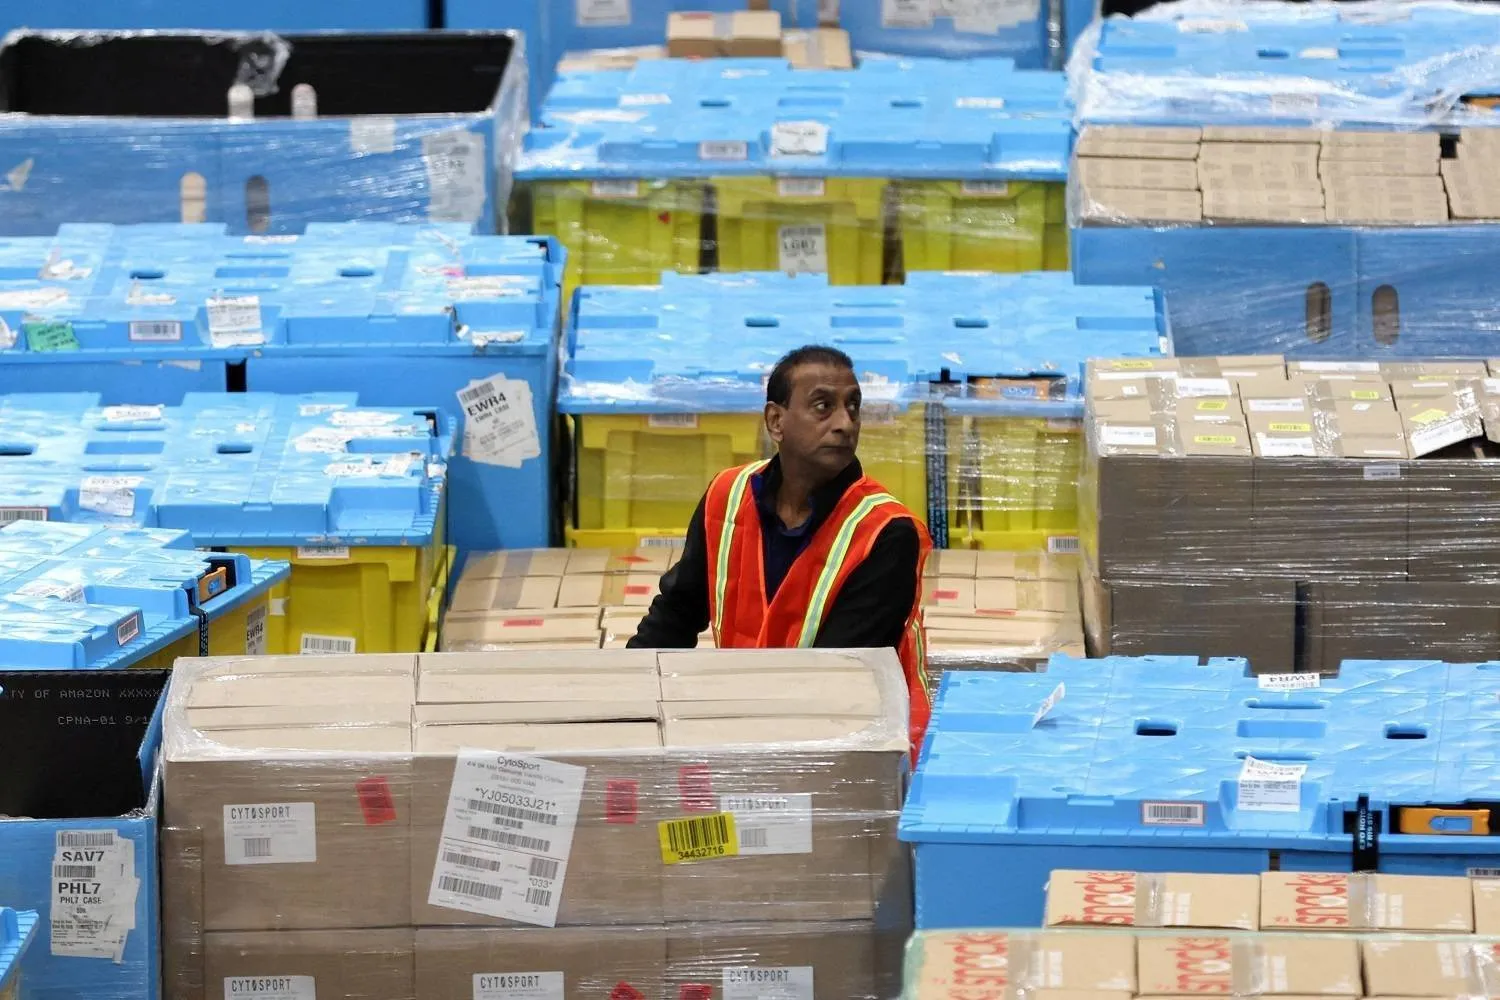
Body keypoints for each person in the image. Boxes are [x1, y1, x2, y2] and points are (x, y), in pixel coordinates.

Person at [628, 344, 934, 750]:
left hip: (859, 749)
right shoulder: (728, 495)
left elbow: (837, 682)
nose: (845, 423)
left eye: (853, 406)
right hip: (753, 732)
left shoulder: (886, 532)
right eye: (823, 406)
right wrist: (626, 703)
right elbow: (676, 614)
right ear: (776, 421)